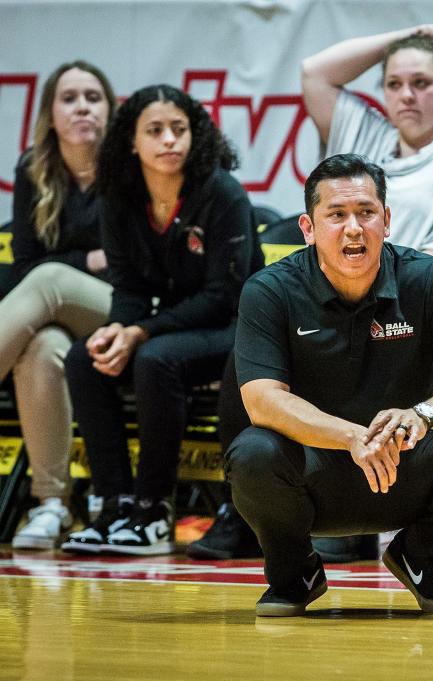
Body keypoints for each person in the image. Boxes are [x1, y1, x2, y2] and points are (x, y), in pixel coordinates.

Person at [225, 154, 433, 616]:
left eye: (366, 213)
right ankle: (295, 572)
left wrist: (423, 415)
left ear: (386, 220)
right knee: (252, 452)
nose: (353, 228)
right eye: (336, 215)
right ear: (308, 228)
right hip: (317, 470)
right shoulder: (270, 290)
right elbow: (262, 400)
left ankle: (425, 556)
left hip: (407, 466)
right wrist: (350, 436)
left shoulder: (426, 278)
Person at [61, 84, 261, 555]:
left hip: (234, 327)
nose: (169, 140)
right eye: (155, 131)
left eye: (179, 129)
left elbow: (223, 295)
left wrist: (140, 331)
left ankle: (153, 512)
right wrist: (116, 329)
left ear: (196, 136)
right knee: (82, 358)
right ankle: (115, 507)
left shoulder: (222, 193)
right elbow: (129, 286)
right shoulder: (120, 197)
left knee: (155, 359)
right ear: (132, 142)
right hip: (168, 327)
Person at [3, 61, 116, 550]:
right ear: (50, 113)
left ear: (110, 111)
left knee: (51, 278)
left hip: (129, 307)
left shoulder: (131, 167)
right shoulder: (34, 170)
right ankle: (50, 503)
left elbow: (131, 261)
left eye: (93, 96)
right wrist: (87, 259)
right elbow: (25, 262)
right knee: (41, 348)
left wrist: (69, 267)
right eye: (69, 98)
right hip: (59, 312)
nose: (82, 107)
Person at [301, 24, 433, 270]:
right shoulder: (366, 134)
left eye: (420, 82)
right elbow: (314, 73)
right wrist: (403, 38)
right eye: (394, 84)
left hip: (407, 300)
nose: (406, 95)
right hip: (335, 296)